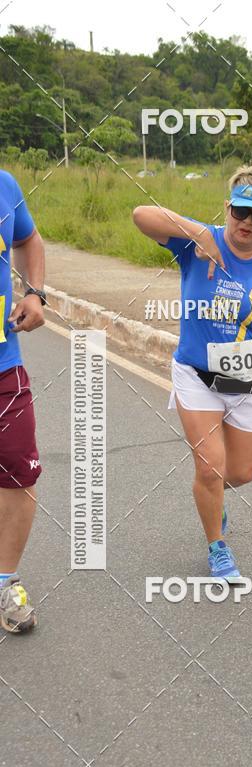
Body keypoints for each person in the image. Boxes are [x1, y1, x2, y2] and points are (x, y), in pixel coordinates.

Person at [133, 165, 252, 580]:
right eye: (241, 212)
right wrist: (199, 233)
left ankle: (211, 496)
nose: (247, 224)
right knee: (209, 468)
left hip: (248, 382)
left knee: (240, 473)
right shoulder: (195, 245)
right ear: (228, 207)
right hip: (196, 376)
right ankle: (217, 547)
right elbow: (141, 214)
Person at [0, 169, 47, 633]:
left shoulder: (5, 185)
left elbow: (29, 240)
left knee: (19, 471)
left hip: (3, 364)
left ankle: (4, 580)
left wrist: (35, 293)